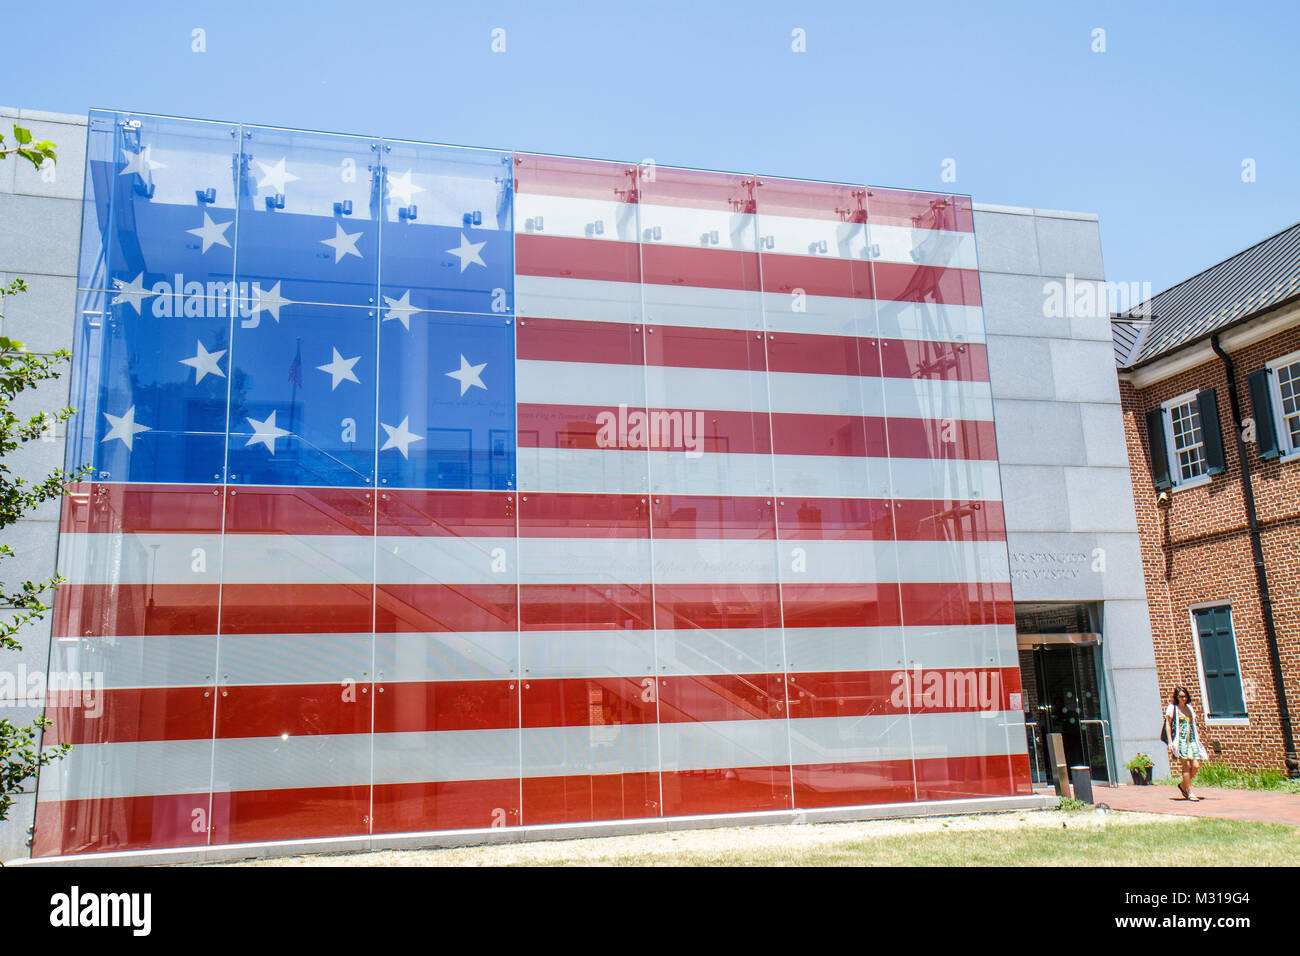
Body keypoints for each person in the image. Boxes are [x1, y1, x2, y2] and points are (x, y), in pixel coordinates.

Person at [1164, 686, 1207, 800]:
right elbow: (1167, 725)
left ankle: (1183, 785)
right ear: (1177, 697)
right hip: (1181, 740)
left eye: (1186, 696)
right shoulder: (1172, 708)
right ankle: (1189, 792)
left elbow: (1194, 724)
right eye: (1182, 696)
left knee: (1196, 765)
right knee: (1186, 766)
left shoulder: (1189, 708)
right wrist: (1170, 742)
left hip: (1192, 739)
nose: (1184, 698)